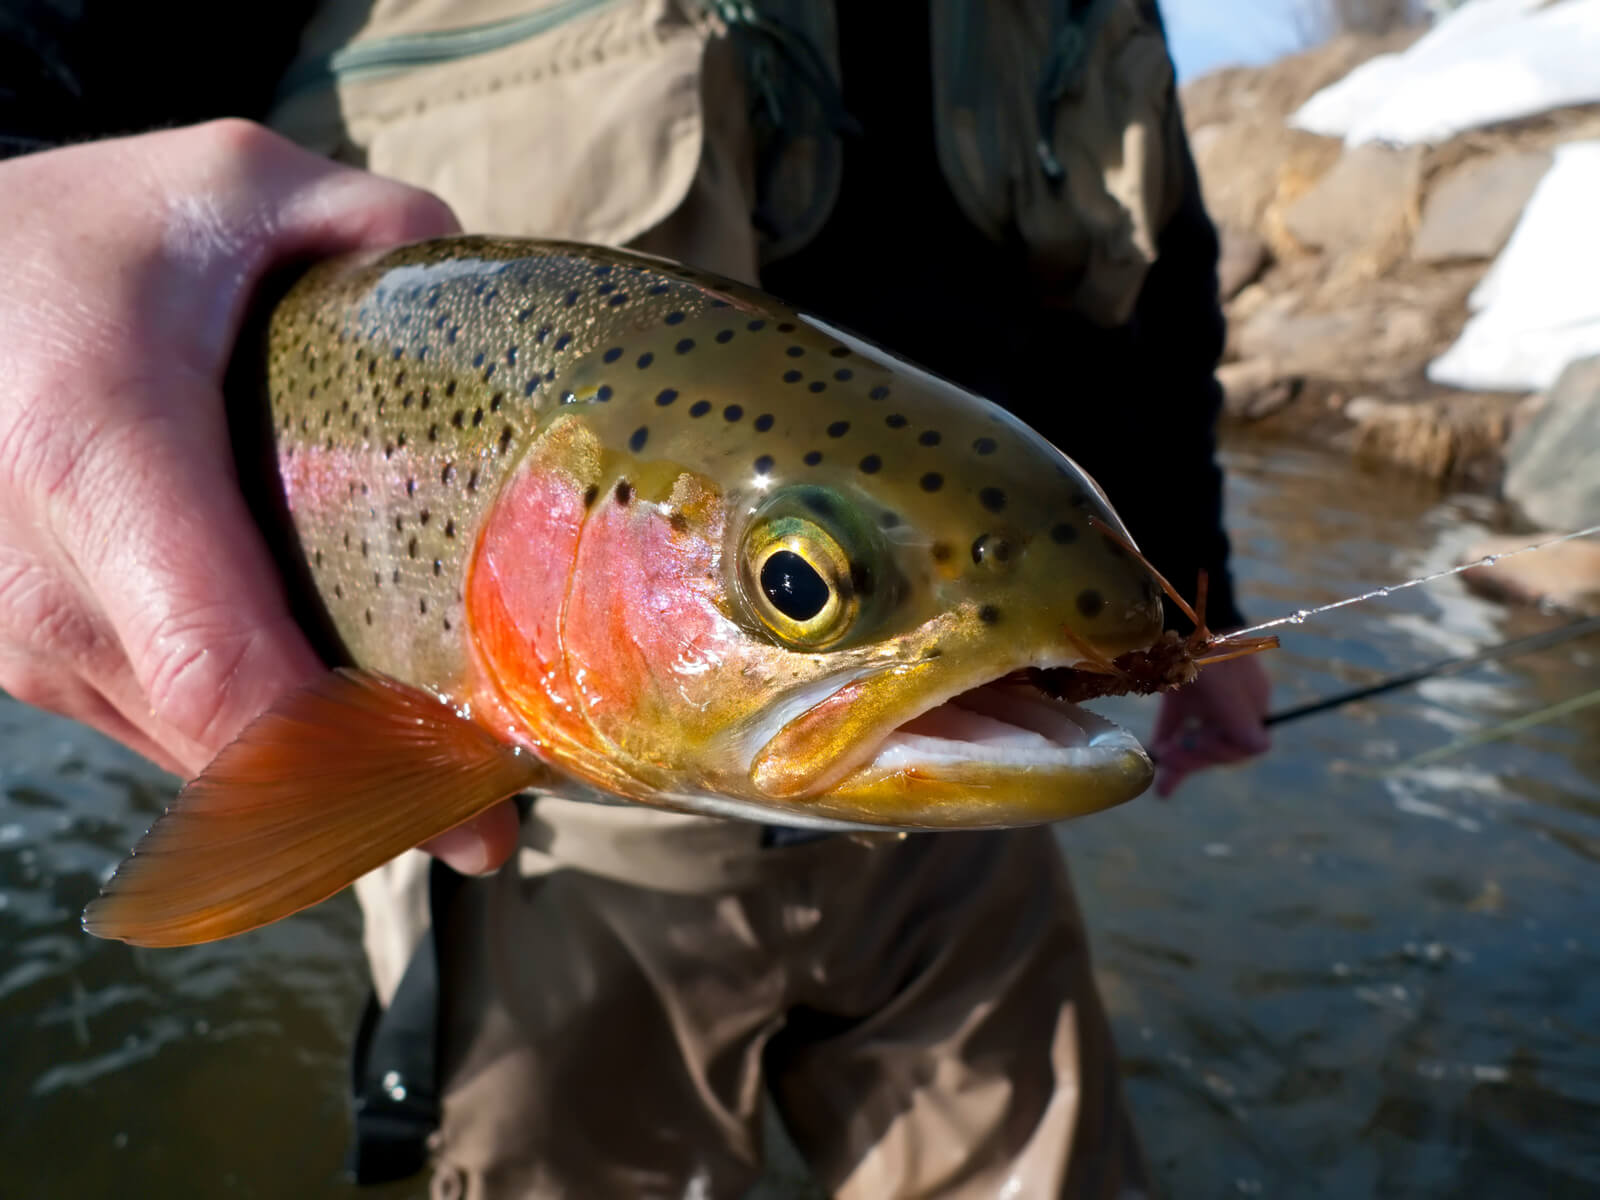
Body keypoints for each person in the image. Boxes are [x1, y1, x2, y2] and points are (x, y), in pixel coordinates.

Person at [0, 1, 1271, 1196]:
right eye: (791, 586)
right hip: (551, 864)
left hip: (950, 786)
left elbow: (1157, 300)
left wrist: (1192, 598)